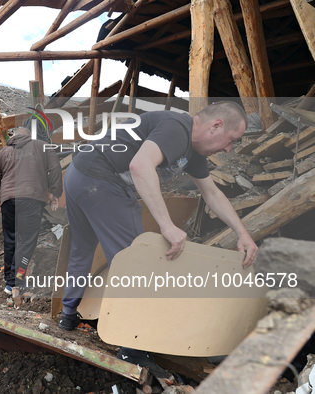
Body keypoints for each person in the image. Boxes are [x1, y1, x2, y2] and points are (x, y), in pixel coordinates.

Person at [59, 101, 259, 374]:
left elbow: (212, 194)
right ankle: (132, 347)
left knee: (83, 250)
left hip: (78, 174)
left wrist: (243, 234)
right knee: (138, 260)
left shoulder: (192, 152)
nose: (228, 149)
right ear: (217, 125)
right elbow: (140, 166)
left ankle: (68, 317)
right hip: (100, 180)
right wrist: (167, 226)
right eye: (231, 141)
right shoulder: (178, 128)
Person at [0, 126, 63, 294]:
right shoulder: (42, 146)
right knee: (26, 242)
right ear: (30, 136)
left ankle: (9, 283)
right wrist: (54, 193)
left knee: (10, 240)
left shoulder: (4, 152)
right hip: (31, 199)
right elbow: (56, 169)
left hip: (8, 201)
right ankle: (18, 281)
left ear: (14, 136)